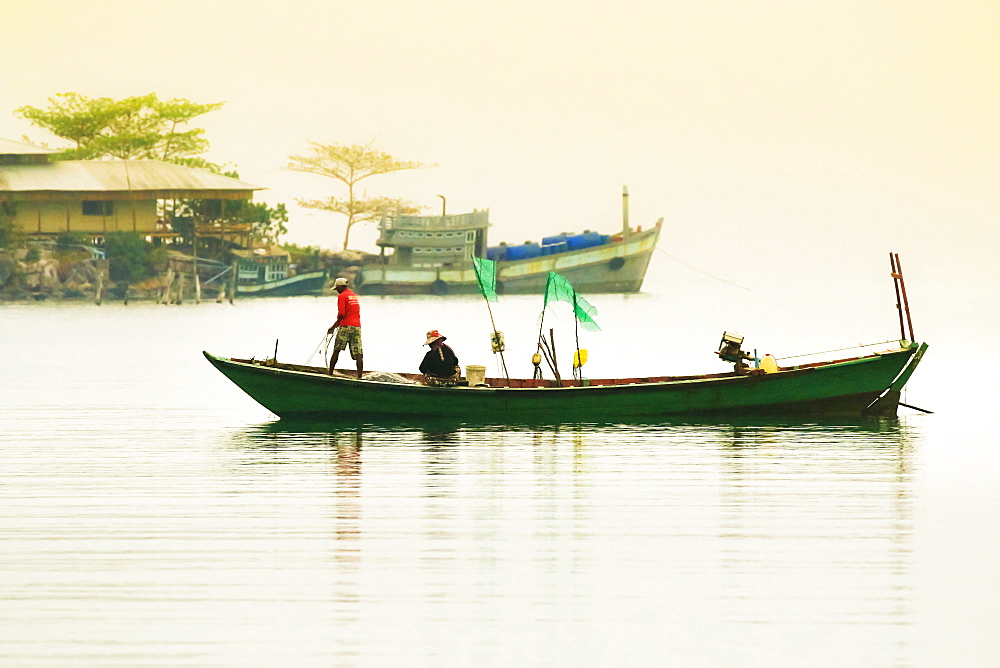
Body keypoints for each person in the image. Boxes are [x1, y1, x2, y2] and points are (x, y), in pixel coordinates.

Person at [328, 277, 363, 379]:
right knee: (358, 352)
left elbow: (342, 314)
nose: (337, 291)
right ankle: (360, 377)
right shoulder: (353, 295)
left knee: (337, 349)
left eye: (337, 288)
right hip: (357, 326)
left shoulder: (342, 296)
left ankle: (330, 373)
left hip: (346, 326)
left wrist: (334, 327)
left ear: (340, 287)